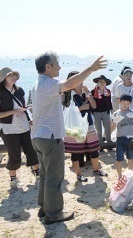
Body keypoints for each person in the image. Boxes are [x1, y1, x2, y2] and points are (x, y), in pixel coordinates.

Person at [31, 52, 106, 224]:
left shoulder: (37, 84)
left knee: (44, 175)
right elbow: (70, 83)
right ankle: (54, 213)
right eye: (57, 63)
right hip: (50, 137)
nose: (60, 67)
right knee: (54, 177)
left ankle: (44, 208)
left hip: (38, 136)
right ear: (48, 66)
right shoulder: (49, 83)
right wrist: (91, 68)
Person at [62, 71, 107, 182]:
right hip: (74, 127)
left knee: (94, 148)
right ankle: (79, 174)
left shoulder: (84, 93)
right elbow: (65, 112)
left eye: (81, 79)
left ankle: (96, 170)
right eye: (77, 80)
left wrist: (88, 94)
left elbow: (94, 105)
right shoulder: (68, 95)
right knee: (75, 151)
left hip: (88, 123)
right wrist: (81, 108)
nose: (80, 82)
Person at [0, 67, 39, 186]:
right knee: (14, 154)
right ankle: (13, 178)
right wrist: (13, 111)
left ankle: (37, 172)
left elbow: (23, 107)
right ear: (3, 78)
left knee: (31, 150)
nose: (14, 77)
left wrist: (29, 118)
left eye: (15, 75)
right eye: (10, 75)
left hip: (24, 126)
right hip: (8, 128)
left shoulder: (20, 90)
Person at [112, 94, 133, 178]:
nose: (125, 105)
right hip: (120, 138)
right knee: (119, 159)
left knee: (130, 158)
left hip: (130, 139)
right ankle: (119, 175)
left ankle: (131, 175)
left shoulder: (132, 112)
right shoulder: (116, 113)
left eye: (127, 103)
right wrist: (115, 121)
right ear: (119, 101)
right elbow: (112, 128)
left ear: (130, 103)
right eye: (123, 102)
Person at [91, 75, 113, 147]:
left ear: (106, 83)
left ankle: (109, 143)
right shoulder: (93, 91)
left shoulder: (108, 91)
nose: (102, 83)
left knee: (108, 129)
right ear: (97, 83)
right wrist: (92, 112)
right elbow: (91, 102)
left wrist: (111, 110)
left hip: (105, 112)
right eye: (100, 81)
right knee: (98, 130)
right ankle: (100, 144)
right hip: (96, 113)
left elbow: (109, 102)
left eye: (104, 81)